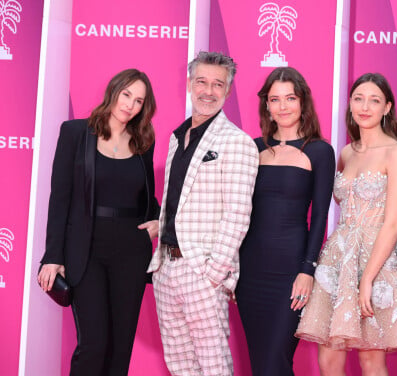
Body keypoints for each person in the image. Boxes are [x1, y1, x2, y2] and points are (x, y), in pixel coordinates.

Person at [296, 73, 397, 376]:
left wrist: (367, 279)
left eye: (374, 100)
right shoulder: (346, 153)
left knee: (371, 360)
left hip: (378, 261)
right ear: (350, 104)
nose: (365, 106)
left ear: (387, 107)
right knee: (328, 359)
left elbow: (393, 224)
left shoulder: (396, 154)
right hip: (339, 259)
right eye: (359, 98)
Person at [38, 68, 159, 376]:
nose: (130, 105)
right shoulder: (76, 133)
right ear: (114, 91)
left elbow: (148, 197)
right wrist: (53, 256)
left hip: (131, 251)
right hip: (86, 249)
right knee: (94, 343)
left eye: (139, 100)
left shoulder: (144, 140)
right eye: (126, 95)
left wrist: (160, 220)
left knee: (120, 348)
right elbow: (60, 197)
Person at [147, 51, 259, 376]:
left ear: (227, 90)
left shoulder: (236, 142)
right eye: (202, 82)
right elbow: (176, 201)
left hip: (202, 272)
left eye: (217, 84)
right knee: (180, 366)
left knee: (213, 368)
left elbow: (238, 214)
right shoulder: (175, 138)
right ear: (189, 84)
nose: (208, 91)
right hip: (166, 268)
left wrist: (213, 274)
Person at [235, 67, 335, 376]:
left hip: (291, 270)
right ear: (266, 105)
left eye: (290, 98)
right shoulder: (252, 148)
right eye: (275, 99)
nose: (283, 106)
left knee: (275, 361)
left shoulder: (319, 151)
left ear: (302, 100)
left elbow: (319, 215)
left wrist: (307, 270)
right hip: (249, 270)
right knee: (260, 363)